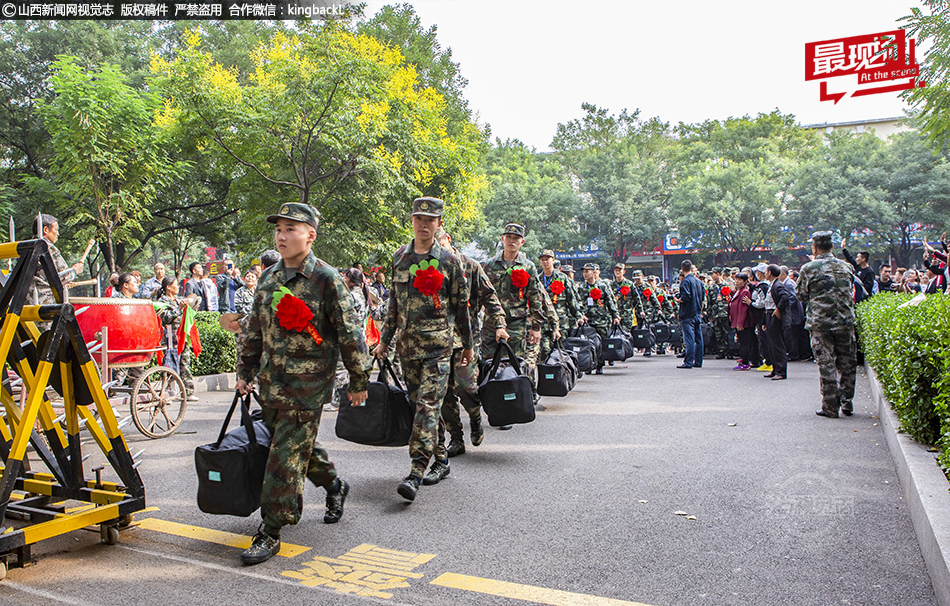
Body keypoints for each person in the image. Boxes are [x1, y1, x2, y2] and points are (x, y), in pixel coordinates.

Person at [236, 202, 368, 565]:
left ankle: (271, 529)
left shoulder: (326, 278)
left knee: (283, 457)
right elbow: (255, 330)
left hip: (308, 386)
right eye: (278, 229)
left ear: (310, 234)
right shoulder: (268, 277)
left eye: (290, 229)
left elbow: (349, 332)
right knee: (296, 449)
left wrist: (359, 379)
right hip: (270, 383)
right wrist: (244, 372)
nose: (281, 236)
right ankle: (335, 485)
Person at [373, 197, 472, 501]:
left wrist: (467, 345)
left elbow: (461, 306)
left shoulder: (450, 262)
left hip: (439, 348)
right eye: (419, 218)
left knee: (427, 406)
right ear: (412, 220)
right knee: (421, 405)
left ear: (439, 223)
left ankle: (416, 470)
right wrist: (384, 341)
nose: (424, 224)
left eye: (431, 220)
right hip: (407, 348)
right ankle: (440, 459)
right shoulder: (399, 258)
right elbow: (393, 305)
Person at [436, 228, 507, 458]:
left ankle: (475, 416)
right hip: (437, 341)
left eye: (438, 243)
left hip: (466, 338)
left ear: (448, 239)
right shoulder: (429, 267)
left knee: (465, 385)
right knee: (443, 392)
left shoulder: (470, 265)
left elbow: (490, 297)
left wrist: (499, 324)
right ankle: (456, 438)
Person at [797, 231, 858, 418]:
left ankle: (831, 406)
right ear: (832, 247)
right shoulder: (847, 267)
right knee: (847, 362)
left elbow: (801, 295)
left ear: (814, 248)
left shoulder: (808, 268)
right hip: (845, 322)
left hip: (821, 324)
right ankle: (847, 402)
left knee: (827, 364)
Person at [479, 223, 545, 391]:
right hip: (491, 324)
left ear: (522, 242)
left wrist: (536, 327)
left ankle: (525, 392)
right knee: (489, 361)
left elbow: (536, 298)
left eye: (516, 238)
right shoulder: (489, 265)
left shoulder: (528, 266)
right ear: (502, 239)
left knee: (518, 361)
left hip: (516, 324)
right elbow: (481, 295)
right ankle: (492, 393)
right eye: (509, 237)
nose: (512, 241)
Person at [154, 276, 198, 402]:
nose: (178, 287)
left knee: (185, 363)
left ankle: (188, 392)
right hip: (169, 338)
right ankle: (166, 394)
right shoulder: (161, 302)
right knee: (168, 365)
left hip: (181, 337)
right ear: (168, 287)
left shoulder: (178, 300)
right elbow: (166, 318)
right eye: (175, 284)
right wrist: (179, 309)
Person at [28, 214, 84, 305]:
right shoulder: (47, 248)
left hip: (26, 301)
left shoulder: (28, 247)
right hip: (45, 301)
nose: (58, 234)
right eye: (56, 230)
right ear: (46, 230)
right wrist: (74, 271)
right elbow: (57, 277)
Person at [577, 263, 620, 374]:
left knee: (600, 343)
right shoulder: (581, 287)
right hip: (587, 320)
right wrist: (580, 314)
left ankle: (600, 364)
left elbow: (610, 302)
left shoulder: (602, 286)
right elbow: (577, 303)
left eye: (588, 271)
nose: (585, 274)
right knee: (587, 343)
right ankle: (590, 364)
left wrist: (615, 315)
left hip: (601, 319)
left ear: (594, 272)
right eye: (584, 272)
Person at [762, 264, 790, 381]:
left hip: (774, 316)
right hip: (769, 315)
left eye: (766, 271)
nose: (765, 273)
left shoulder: (778, 285)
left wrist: (778, 309)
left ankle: (781, 371)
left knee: (777, 344)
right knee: (771, 344)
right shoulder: (771, 285)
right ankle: (775, 369)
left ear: (770, 273)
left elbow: (785, 297)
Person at [675, 260, 704, 369]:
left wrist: (678, 300)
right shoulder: (699, 282)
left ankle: (688, 361)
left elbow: (686, 297)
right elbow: (702, 298)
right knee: (698, 338)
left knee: (689, 339)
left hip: (687, 313)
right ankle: (698, 361)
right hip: (697, 312)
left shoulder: (686, 282)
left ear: (682, 269)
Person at [728, 272, 755, 370]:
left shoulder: (745, 292)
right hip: (736, 321)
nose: (737, 282)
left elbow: (743, 309)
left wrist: (740, 323)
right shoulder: (737, 291)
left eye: (739, 280)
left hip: (743, 323)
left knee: (744, 343)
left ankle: (745, 363)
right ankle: (744, 360)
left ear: (745, 281)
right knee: (742, 342)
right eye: (736, 279)